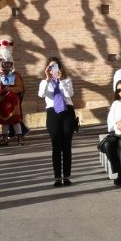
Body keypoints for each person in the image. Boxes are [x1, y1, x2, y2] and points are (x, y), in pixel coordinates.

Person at [38, 57, 76, 187]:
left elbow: (69, 94)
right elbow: (41, 94)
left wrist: (60, 80)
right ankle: (57, 177)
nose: (53, 68)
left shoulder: (66, 80)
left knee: (66, 145)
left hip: (67, 112)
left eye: (55, 66)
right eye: (50, 66)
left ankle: (66, 176)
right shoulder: (45, 82)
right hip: (53, 113)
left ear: (60, 68)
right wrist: (48, 79)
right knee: (56, 146)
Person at [0, 40, 25, 146]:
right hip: (2, 100)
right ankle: (5, 140)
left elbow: (20, 88)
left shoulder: (16, 75)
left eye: (8, 64)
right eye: (4, 64)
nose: (6, 66)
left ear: (11, 64)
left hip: (13, 101)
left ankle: (20, 139)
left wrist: (10, 89)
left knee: (15, 120)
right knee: (4, 121)